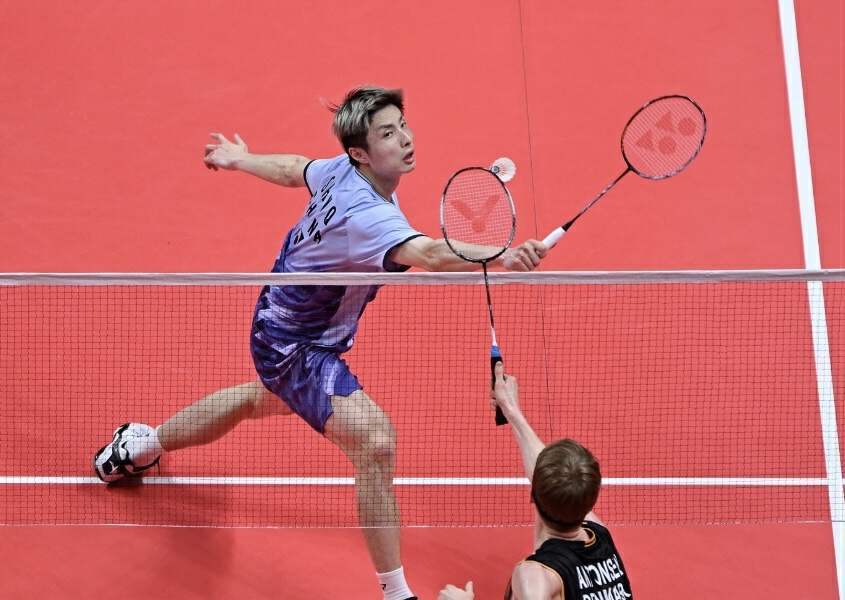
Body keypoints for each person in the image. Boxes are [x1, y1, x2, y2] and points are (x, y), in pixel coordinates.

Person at [93, 86, 547, 600]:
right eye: (387, 134)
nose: (405, 139)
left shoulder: (344, 171)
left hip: (282, 320)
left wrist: (240, 160)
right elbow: (430, 255)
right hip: (295, 346)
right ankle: (397, 594)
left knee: (258, 399)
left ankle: (141, 444)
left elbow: (296, 169)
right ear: (360, 152)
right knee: (376, 443)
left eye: (402, 125)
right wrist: (502, 256)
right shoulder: (366, 215)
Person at [438, 363, 633, 600]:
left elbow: (544, 479)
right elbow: (548, 477)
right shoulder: (600, 536)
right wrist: (511, 410)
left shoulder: (535, 578)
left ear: (532, 496)